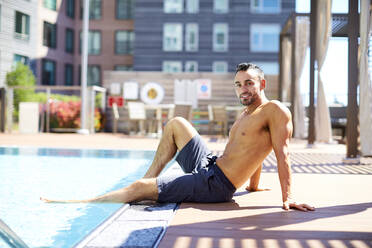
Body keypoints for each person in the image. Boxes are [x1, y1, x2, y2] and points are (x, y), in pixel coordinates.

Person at [41, 62, 314, 212]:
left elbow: (281, 153)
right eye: (238, 84)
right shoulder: (246, 113)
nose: (242, 88)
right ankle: (150, 181)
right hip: (211, 165)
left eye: (249, 83)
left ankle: (82, 202)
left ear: (262, 84)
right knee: (176, 123)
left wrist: (287, 197)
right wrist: (253, 186)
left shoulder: (275, 110)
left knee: (136, 188)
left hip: (215, 185)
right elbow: (255, 150)